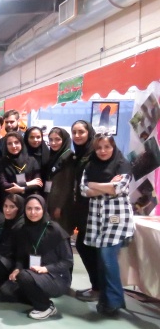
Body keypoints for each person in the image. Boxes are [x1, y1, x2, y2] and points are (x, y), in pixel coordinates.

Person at [80, 134, 134, 316]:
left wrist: (94, 185)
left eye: (107, 147)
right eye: (98, 148)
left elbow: (117, 188)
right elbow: (84, 190)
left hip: (117, 219)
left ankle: (114, 300)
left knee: (107, 257)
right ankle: (106, 300)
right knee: (102, 262)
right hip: (97, 220)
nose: (103, 151)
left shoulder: (123, 164)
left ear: (113, 147)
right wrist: (106, 186)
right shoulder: (90, 166)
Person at [0, 195, 73, 320]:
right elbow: (21, 256)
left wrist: (46, 269)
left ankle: (46, 307)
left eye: (37, 209)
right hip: (34, 274)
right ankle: (38, 296)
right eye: (29, 209)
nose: (33, 213)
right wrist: (17, 268)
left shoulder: (54, 230)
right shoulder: (23, 229)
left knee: (24, 276)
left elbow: (68, 261)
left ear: (43, 209)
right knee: (6, 291)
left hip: (56, 277)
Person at [71, 120, 99, 302]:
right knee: (83, 245)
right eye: (74, 132)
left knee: (88, 247)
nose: (77, 135)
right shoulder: (80, 154)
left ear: (89, 132)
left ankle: (99, 289)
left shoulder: (94, 153)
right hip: (82, 207)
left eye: (81, 132)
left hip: (95, 209)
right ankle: (96, 286)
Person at [44, 127, 74, 233]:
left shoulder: (69, 157)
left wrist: (59, 207)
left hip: (61, 205)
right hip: (50, 200)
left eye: (57, 139)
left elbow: (68, 184)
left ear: (64, 140)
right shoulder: (52, 156)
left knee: (61, 233)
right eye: (51, 139)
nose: (53, 143)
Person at [0, 132, 43, 197]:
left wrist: (22, 189)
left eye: (16, 142)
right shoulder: (2, 163)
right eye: (9, 143)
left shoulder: (32, 160)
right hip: (12, 199)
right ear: (6, 146)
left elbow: (38, 184)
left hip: (30, 198)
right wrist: (28, 183)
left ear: (21, 143)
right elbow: (4, 185)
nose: (13, 146)